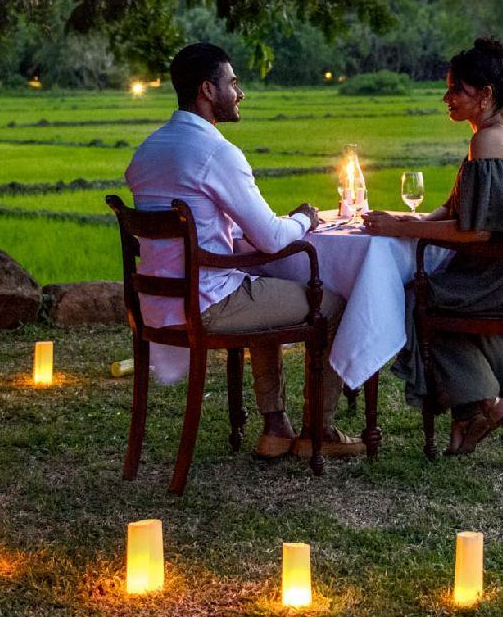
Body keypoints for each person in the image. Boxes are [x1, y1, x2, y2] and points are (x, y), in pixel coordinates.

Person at [124, 42, 364, 460]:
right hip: (207, 302)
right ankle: (319, 430)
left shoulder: (149, 150)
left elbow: (207, 229)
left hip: (159, 304)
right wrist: (306, 218)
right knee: (336, 303)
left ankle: (275, 427)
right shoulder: (216, 152)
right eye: (233, 83)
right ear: (206, 90)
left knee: (263, 285)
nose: (240, 93)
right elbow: (272, 238)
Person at [361, 37, 503, 456]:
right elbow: (459, 210)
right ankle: (478, 407)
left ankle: (483, 405)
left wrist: (406, 232)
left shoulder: (487, 143)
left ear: (485, 95)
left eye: (457, 89)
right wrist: (408, 219)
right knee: (441, 293)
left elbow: (476, 233)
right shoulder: (502, 133)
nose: (447, 97)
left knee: (423, 298)